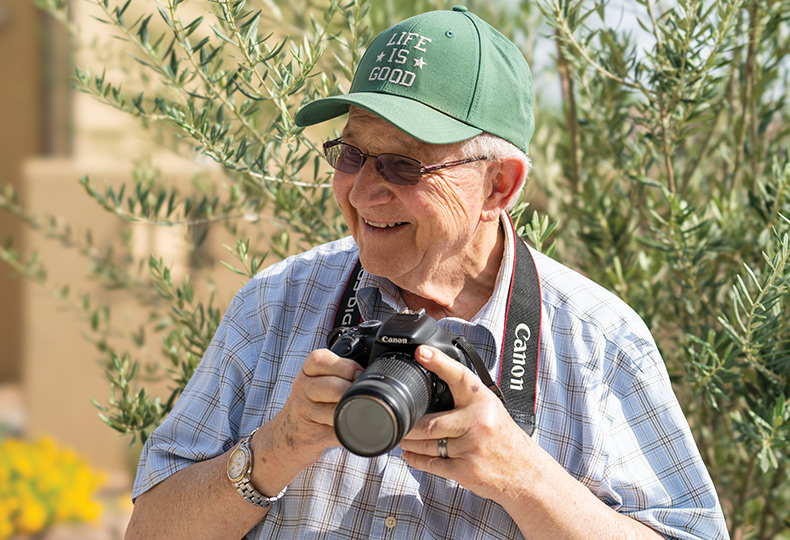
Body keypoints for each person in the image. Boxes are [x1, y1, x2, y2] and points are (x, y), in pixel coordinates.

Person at [126, 6, 729, 540]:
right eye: (352, 154)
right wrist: (277, 448)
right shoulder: (275, 304)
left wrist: (526, 479)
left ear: (500, 185)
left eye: (403, 166)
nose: (363, 192)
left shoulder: (598, 342)